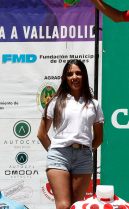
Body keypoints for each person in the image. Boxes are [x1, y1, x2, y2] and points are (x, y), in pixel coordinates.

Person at [37, 60, 104, 209]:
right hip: (59, 155)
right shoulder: (55, 102)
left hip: (84, 158)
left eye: (78, 73)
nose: (74, 77)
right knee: (63, 205)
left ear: (84, 76)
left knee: (76, 206)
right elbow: (41, 134)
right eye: (70, 74)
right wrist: (55, 151)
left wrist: (85, 151)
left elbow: (99, 137)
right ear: (65, 78)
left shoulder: (94, 104)